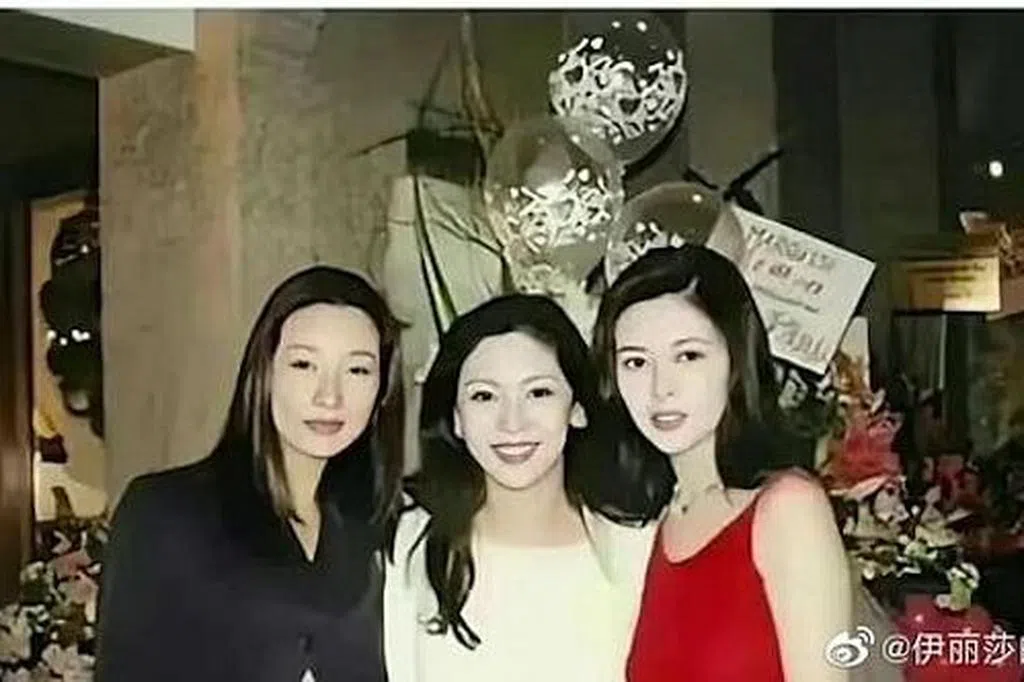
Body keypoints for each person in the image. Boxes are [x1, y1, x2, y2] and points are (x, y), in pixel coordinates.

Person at [95, 266, 404, 682]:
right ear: (265, 372)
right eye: (304, 364)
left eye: (358, 370)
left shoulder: (377, 528)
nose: (329, 396)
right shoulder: (165, 512)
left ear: (383, 389)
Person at [590, 246, 852, 682]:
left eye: (688, 356)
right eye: (636, 362)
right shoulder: (652, 522)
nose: (660, 388)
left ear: (735, 360)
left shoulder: (788, 508)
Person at [383, 294, 651, 682]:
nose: (512, 423)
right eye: (484, 396)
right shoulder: (407, 546)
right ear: (456, 419)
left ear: (577, 408)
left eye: (538, 393)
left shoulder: (636, 550)